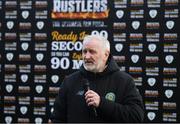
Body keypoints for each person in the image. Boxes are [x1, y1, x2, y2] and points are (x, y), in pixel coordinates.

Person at [50, 34, 144, 122]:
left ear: (106, 55)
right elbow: (57, 119)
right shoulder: (69, 81)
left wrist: (102, 103)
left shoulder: (124, 81)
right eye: (84, 51)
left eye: (92, 52)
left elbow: (136, 116)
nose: (87, 56)